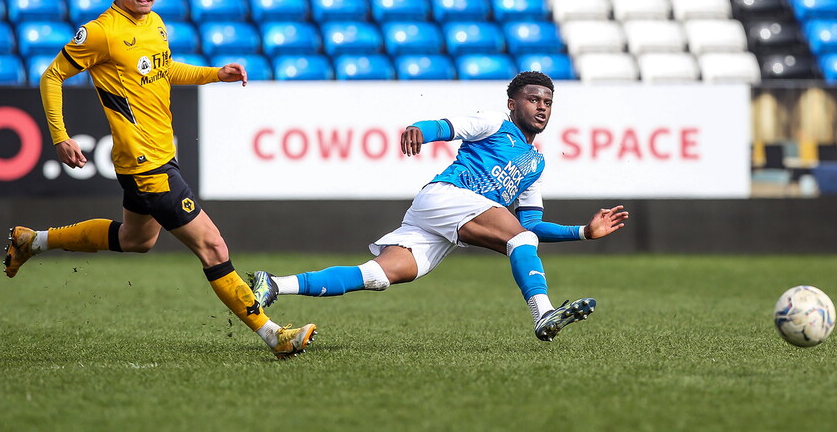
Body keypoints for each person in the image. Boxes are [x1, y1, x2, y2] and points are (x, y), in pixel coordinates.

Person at [2, 0, 316, 360]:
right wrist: (60, 135)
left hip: (153, 159)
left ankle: (32, 241)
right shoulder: (101, 33)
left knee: (136, 240)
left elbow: (164, 71)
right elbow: (51, 76)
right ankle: (274, 334)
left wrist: (213, 74)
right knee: (214, 248)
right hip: (146, 165)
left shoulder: (154, 23)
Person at [249, 72, 629, 342]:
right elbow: (448, 126)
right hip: (447, 196)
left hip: (447, 219)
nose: (541, 108)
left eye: (547, 102)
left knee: (379, 275)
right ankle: (542, 312)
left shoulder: (537, 165)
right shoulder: (496, 122)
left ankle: (274, 284)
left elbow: (532, 226)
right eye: (533, 100)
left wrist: (583, 232)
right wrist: (420, 129)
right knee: (519, 239)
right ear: (513, 104)